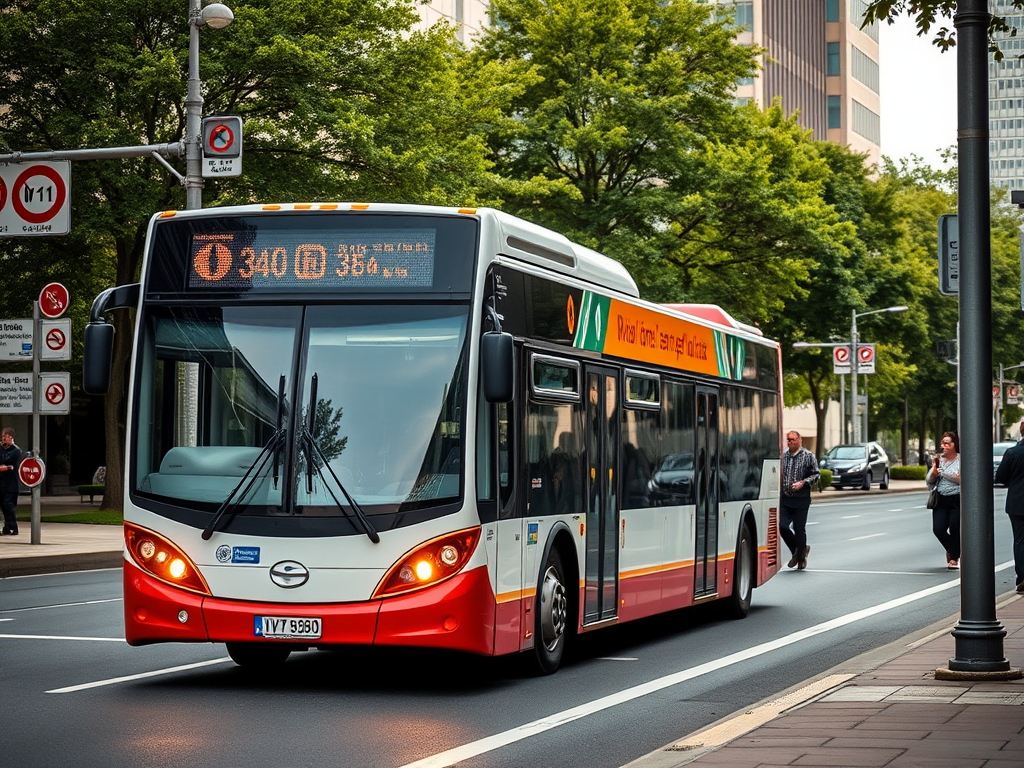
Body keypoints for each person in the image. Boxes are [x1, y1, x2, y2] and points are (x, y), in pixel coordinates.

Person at [780, 430, 819, 570]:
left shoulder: (808, 456)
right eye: (788, 440)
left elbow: (816, 475)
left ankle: (800, 558)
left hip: (801, 499)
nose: (790, 442)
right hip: (785, 498)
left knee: (798, 528)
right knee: (782, 526)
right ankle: (799, 552)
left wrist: (803, 483)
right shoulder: (784, 457)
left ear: (799, 440)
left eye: (792, 439)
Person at [995, 417, 1024, 592]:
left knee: (1020, 540)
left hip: (1017, 502)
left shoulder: (1012, 453)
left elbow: (1000, 478)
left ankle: (1021, 577)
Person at [927, 431, 961, 570]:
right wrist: (934, 473)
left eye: (948, 443)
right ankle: (952, 550)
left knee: (955, 528)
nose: (944, 445)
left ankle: (954, 558)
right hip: (941, 498)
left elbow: (960, 480)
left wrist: (944, 473)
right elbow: (929, 481)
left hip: (957, 498)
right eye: (943, 443)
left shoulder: (961, 460)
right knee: (938, 529)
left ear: (955, 445)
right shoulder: (938, 460)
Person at [0, 427, 22, 535]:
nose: (4, 438)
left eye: (7, 436)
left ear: (11, 438)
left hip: (11, 484)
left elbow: (10, 463)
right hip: (1, 483)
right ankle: (7, 527)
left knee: (8, 504)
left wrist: (6, 467)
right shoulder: (0, 448)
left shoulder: (16, 450)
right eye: (3, 436)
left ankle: (14, 526)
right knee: (3, 505)